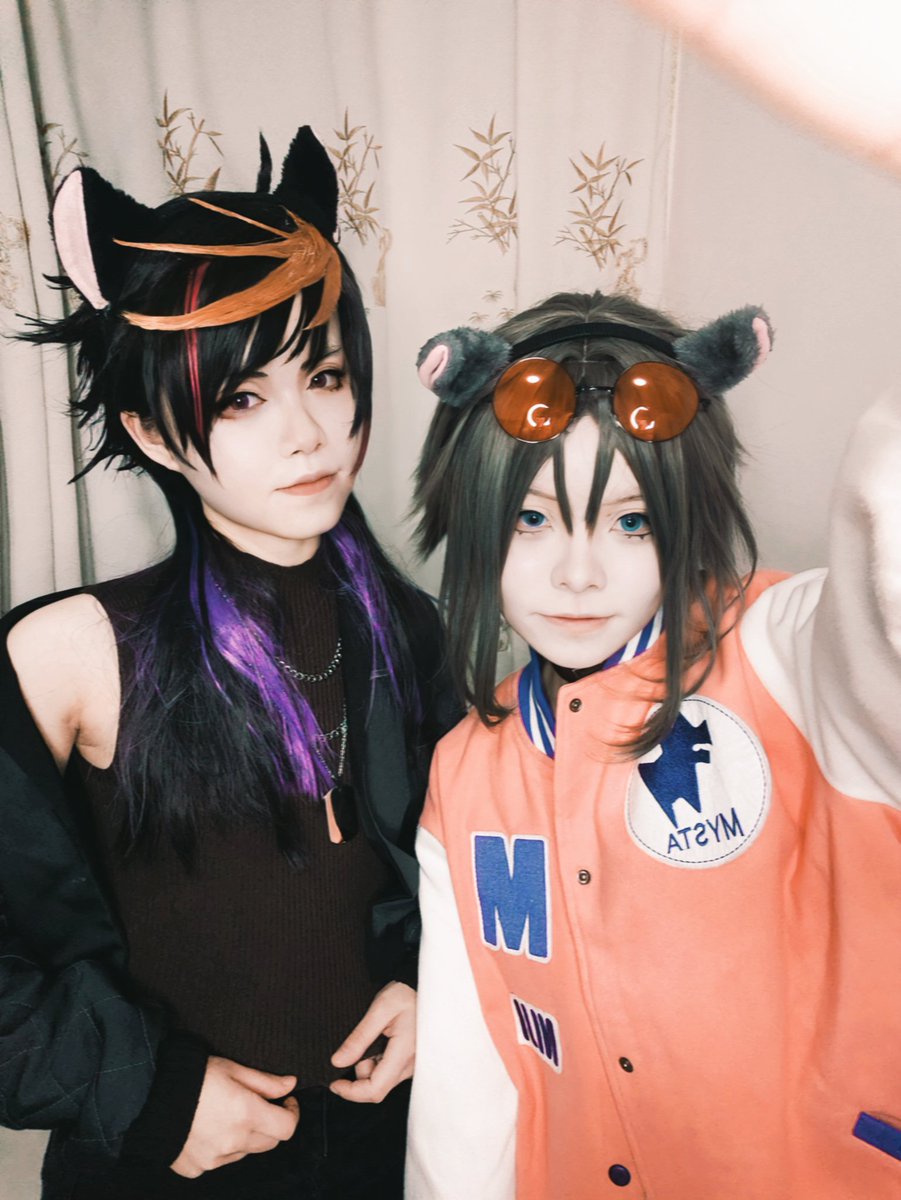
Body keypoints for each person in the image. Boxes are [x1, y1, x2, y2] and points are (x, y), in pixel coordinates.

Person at [0, 126, 458, 1200]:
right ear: (154, 434)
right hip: (163, 1169)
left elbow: (461, 868)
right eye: (243, 398)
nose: (309, 434)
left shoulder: (410, 630)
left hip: (378, 1156)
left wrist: (428, 985)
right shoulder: (74, 650)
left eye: (325, 376)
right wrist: (153, 1096)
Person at [405, 290, 901, 1199]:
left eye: (630, 522)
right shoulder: (465, 770)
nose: (578, 573)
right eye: (530, 519)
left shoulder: (786, 648)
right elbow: (463, 1096)